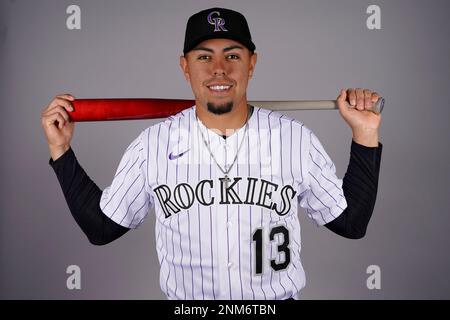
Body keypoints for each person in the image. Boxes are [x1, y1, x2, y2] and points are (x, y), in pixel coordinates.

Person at [40, 7, 382, 300]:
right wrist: (61, 150)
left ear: (252, 64)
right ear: (185, 66)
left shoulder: (296, 139)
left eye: (232, 55)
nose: (219, 68)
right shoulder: (152, 145)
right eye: (204, 56)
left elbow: (351, 224)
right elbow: (101, 228)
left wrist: (365, 134)